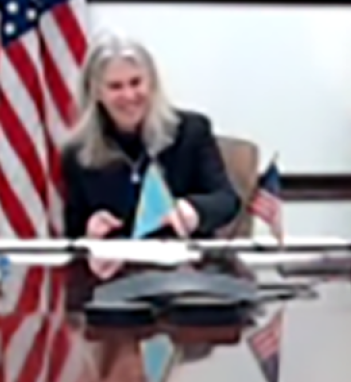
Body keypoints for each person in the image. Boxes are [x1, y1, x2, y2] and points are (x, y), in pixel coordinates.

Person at [61, 32, 240, 240]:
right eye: (115, 86)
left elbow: (227, 200)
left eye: (136, 82)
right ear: (96, 93)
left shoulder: (191, 131)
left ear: (152, 83)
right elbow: (73, 233)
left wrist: (193, 210)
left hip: (187, 266)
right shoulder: (78, 153)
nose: (128, 96)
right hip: (118, 268)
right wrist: (90, 231)